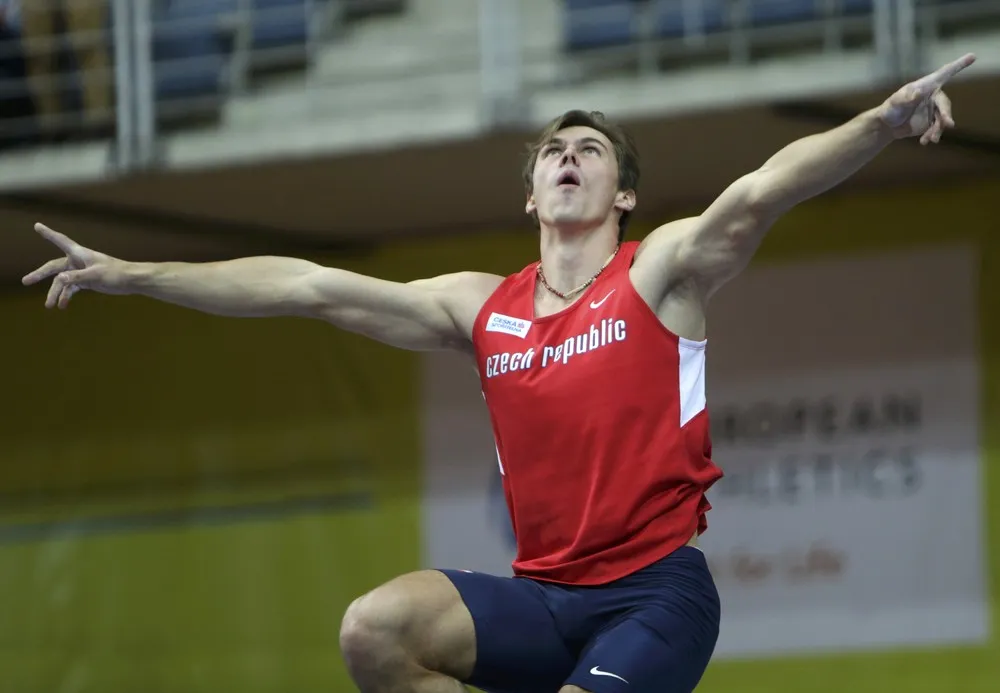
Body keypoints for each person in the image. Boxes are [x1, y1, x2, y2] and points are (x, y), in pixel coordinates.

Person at [22, 53, 975, 693]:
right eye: (553, 151)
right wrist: (135, 272)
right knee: (375, 631)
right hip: (541, 597)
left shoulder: (659, 270)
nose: (568, 158)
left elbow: (766, 187)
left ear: (624, 192)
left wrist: (881, 122)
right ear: (530, 194)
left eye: (590, 150)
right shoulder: (482, 307)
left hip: (655, 594)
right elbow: (306, 286)